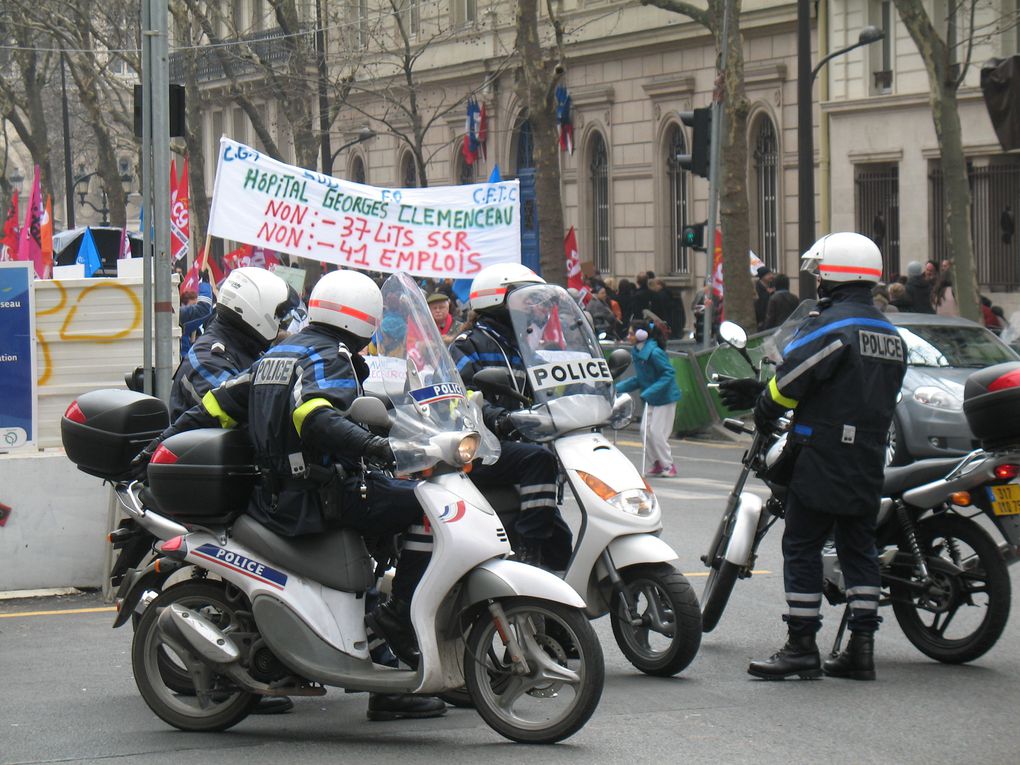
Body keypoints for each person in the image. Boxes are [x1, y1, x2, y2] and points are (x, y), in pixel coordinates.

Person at [137, 269, 446, 721]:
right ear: (365, 319)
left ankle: (385, 658)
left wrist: (150, 454)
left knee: (385, 530)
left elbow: (211, 408)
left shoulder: (278, 354)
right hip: (319, 496)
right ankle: (398, 620)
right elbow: (316, 415)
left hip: (277, 497)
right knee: (426, 507)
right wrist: (380, 450)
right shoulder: (330, 354)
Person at [721, 232, 906, 682]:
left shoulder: (833, 325)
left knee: (801, 544)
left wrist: (763, 406)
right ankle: (862, 648)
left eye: (820, 271)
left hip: (823, 452)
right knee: (858, 548)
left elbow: (790, 383)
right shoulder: (892, 335)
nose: (817, 280)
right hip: (868, 454)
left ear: (836, 274)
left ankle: (802, 646)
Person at [450, 263, 573, 570]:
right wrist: (497, 416)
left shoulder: (522, 347)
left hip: (516, 446)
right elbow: (457, 398)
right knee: (538, 460)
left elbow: (548, 392)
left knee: (561, 545)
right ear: (496, 300)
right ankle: (528, 551)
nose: (535, 307)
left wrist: (580, 397)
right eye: (526, 298)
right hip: (481, 448)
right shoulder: (469, 345)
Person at [169, 268, 297, 421]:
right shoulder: (208, 359)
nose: (280, 323)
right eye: (278, 315)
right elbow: (257, 417)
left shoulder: (246, 349)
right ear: (256, 309)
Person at [615, 319, 682, 477]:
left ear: (641, 334)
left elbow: (669, 374)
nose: (628, 336)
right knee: (645, 431)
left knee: (657, 432)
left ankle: (668, 464)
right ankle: (657, 462)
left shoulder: (654, 352)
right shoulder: (638, 352)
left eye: (631, 333)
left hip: (665, 397)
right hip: (652, 397)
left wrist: (650, 390)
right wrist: (616, 388)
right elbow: (640, 379)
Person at [754, 266, 776, 331]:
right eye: (768, 274)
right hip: (761, 319)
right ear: (762, 277)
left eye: (771, 274)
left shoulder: (773, 285)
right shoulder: (757, 287)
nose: (771, 276)